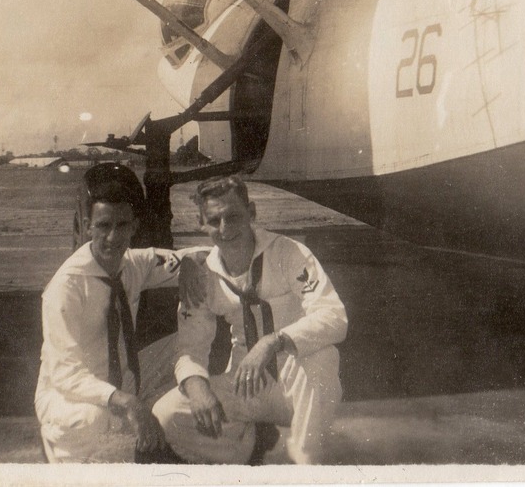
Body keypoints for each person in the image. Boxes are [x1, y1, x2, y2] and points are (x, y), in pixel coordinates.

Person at [152, 175, 348, 464]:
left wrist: (274, 341)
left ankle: (308, 464)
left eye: (233, 217)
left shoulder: (288, 253)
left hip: (298, 385)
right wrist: (198, 388)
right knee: (166, 415)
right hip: (246, 385)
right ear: (201, 223)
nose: (224, 228)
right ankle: (248, 452)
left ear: (252, 213)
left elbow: (334, 315)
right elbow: (190, 348)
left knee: (322, 357)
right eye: (214, 220)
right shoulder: (201, 275)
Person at [34, 176, 193, 463]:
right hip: (69, 393)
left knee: (185, 345)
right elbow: (65, 374)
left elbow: (189, 256)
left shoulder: (132, 263)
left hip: (121, 378)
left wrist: (191, 264)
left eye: (122, 225)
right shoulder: (65, 288)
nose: (113, 237)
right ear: (86, 227)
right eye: (104, 225)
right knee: (92, 419)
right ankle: (60, 450)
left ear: (134, 227)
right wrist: (127, 401)